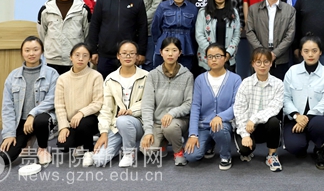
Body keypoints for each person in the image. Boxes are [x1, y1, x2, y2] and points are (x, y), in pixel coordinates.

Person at [0, 36, 59, 165]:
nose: (31, 53)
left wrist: (32, 114)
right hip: (21, 121)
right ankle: (28, 138)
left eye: (35, 49)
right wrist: (9, 134)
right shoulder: (13, 76)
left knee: (41, 120)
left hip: (42, 118)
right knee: (4, 158)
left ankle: (42, 149)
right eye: (27, 50)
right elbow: (7, 107)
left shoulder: (52, 74)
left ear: (42, 51)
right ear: (22, 52)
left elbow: (52, 100)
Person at [184, 43, 242, 170]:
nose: (213, 59)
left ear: (225, 58)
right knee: (191, 156)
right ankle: (209, 144)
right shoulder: (200, 79)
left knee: (219, 128)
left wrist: (220, 116)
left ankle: (225, 156)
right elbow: (195, 107)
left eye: (217, 56)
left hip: (223, 124)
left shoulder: (235, 79)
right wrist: (193, 134)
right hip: (204, 125)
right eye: (210, 57)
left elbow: (237, 105)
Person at [86, 0, 148, 79]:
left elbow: (142, 28)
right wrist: (93, 50)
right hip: (105, 55)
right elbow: (94, 26)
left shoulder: (137, 0)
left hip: (128, 56)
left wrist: (141, 52)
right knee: (105, 86)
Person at [283, 34, 324, 170]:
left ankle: (319, 149)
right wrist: (297, 116)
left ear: (320, 52)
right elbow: (285, 97)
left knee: (320, 124)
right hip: (295, 119)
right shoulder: (292, 71)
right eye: (306, 51)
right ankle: (302, 144)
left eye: (314, 50)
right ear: (301, 52)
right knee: (295, 147)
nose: (310, 54)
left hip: (316, 119)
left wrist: (306, 118)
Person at [93, 41, 148, 168]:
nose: (128, 56)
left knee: (123, 120)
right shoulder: (111, 79)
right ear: (118, 56)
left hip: (140, 123)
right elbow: (106, 108)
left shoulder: (147, 76)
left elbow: (149, 102)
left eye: (131, 53)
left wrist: (131, 111)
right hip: (117, 126)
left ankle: (129, 153)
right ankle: (124, 143)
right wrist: (104, 132)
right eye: (124, 53)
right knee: (98, 160)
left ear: (137, 56)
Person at [141, 37, 194, 166]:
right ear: (161, 52)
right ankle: (163, 141)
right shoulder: (153, 75)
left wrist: (172, 113)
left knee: (170, 127)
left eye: (174, 50)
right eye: (167, 50)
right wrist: (148, 131)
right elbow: (147, 105)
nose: (170, 54)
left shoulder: (187, 75)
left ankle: (178, 151)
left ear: (180, 53)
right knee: (146, 150)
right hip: (157, 122)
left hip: (178, 120)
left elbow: (188, 103)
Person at [233, 48, 284, 172]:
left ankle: (272, 155)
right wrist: (245, 135)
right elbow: (239, 110)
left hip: (265, 126)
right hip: (247, 126)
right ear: (252, 64)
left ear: (271, 63)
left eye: (266, 62)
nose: (262, 65)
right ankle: (248, 147)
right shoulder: (245, 83)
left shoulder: (278, 84)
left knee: (274, 121)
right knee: (244, 151)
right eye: (258, 62)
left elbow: (274, 108)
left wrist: (254, 119)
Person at [55, 43, 103, 167]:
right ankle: (83, 141)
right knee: (64, 146)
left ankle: (89, 151)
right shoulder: (62, 78)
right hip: (72, 122)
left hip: (91, 119)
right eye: (77, 55)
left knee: (84, 123)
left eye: (85, 55)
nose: (81, 59)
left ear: (90, 58)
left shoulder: (96, 76)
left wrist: (81, 113)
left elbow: (98, 103)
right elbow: (59, 106)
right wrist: (63, 127)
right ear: (71, 57)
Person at [38, 0, 91, 75]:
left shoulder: (82, 9)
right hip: (53, 60)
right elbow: (42, 33)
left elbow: (87, 34)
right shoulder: (46, 9)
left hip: (76, 60)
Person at [246, 0, 296, 80]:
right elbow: (250, 31)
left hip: (281, 57)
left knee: (280, 86)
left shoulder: (290, 10)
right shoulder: (253, 9)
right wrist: (262, 53)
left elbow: (290, 35)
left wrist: (275, 53)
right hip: (259, 56)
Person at [152, 0, 197, 71]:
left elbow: (194, 31)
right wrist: (160, 42)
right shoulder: (163, 6)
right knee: (160, 74)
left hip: (186, 48)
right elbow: (155, 28)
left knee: (184, 75)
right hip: (164, 45)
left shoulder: (192, 8)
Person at [196, 0, 241, 73]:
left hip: (227, 59)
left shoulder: (234, 12)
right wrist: (212, 54)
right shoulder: (203, 12)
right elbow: (199, 35)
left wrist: (228, 53)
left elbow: (236, 35)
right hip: (207, 60)